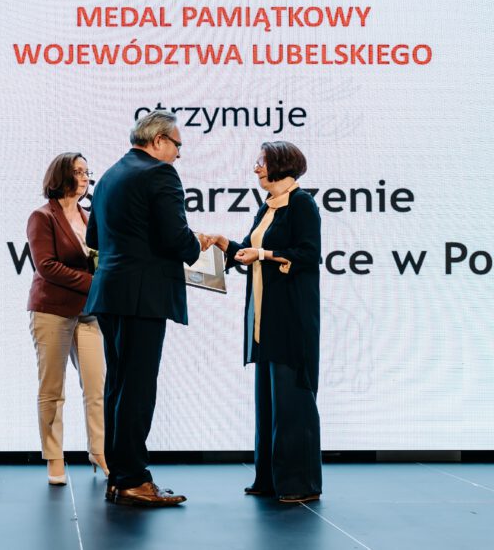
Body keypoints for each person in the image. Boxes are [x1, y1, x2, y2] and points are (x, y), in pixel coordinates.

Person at [84, 110, 209, 507]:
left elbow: (94, 237)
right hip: (143, 296)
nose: (178, 154)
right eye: (177, 145)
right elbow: (176, 239)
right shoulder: (160, 174)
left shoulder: (109, 175)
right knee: (137, 390)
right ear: (158, 141)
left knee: (119, 387)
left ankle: (119, 477)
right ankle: (134, 479)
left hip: (110, 293)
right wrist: (196, 243)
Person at [205, 141, 323, 503]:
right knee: (269, 402)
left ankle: (299, 483)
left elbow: (308, 254)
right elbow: (249, 250)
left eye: (261, 162)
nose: (256, 168)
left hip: (291, 317)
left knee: (292, 401)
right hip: (265, 317)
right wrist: (224, 244)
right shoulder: (267, 206)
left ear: (281, 165)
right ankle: (270, 479)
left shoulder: (302, 204)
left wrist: (265, 254)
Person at [26, 152, 109, 485]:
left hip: (88, 313)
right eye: (78, 171)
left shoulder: (91, 217)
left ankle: (99, 452)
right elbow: (46, 266)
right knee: (52, 389)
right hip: (52, 311)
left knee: (96, 387)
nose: (85, 177)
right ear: (61, 176)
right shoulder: (42, 216)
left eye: (87, 171)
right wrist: (95, 283)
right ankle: (54, 457)